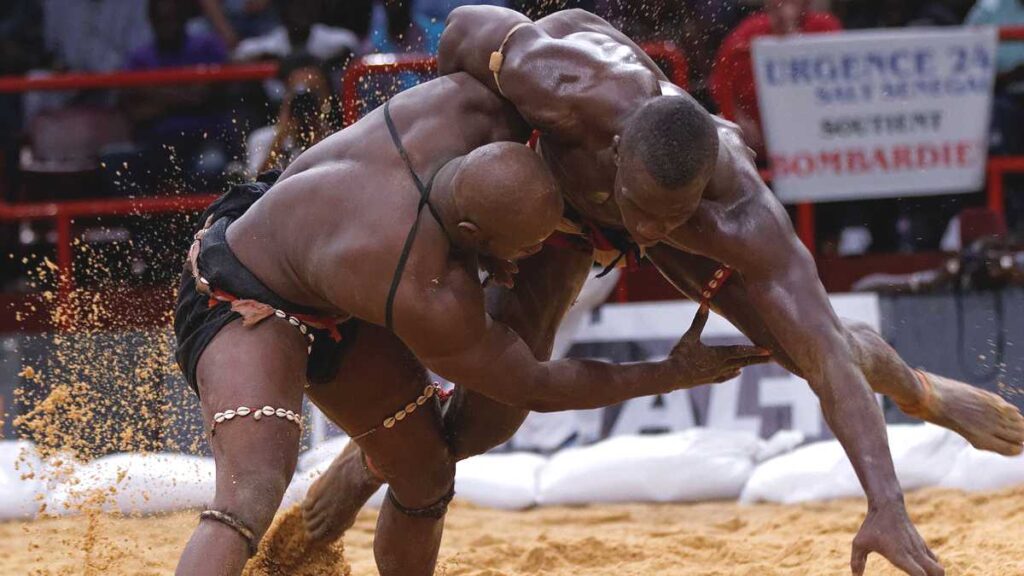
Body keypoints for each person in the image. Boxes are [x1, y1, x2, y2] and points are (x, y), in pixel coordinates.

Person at [305, 7, 1024, 576]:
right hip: (534, 187)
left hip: (605, 216)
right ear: (615, 153)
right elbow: (462, 31)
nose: (648, 227)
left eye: (667, 215)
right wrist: (471, 149)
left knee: (804, 341)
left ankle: (923, 394)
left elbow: (829, 357)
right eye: (644, 208)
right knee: (481, 397)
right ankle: (383, 455)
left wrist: (886, 503)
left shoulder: (738, 214)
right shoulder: (557, 79)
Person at [172, 70, 768, 576]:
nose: (510, 274)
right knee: (251, 492)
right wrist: (672, 372)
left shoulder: (463, 107)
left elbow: (470, 30)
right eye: (513, 253)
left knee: (427, 472)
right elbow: (535, 385)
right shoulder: (426, 293)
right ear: (472, 237)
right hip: (241, 291)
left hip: (329, 276)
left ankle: (363, 473)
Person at [709, 0, 842, 157]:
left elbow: (836, 81)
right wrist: (738, 118)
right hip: (762, 140)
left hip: (819, 135)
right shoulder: (749, 31)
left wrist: (791, 35)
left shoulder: (824, 26)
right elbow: (719, 80)